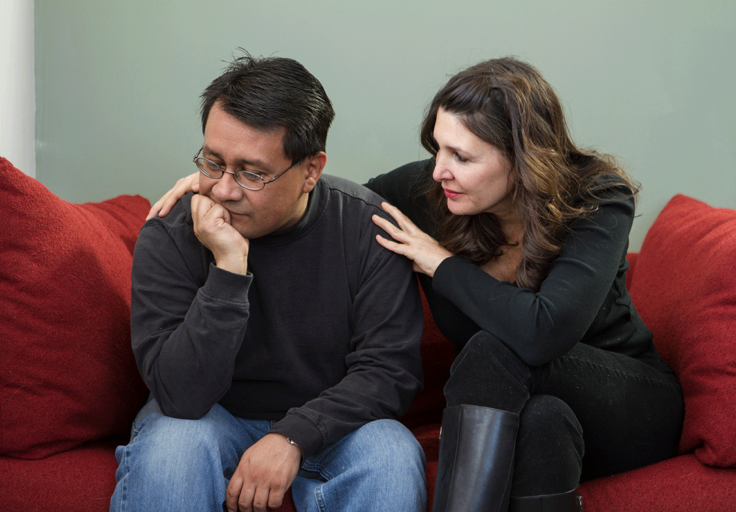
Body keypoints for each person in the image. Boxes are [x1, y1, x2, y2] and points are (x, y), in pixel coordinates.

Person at [152, 56, 684, 512]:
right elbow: (315, 201)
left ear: (524, 162)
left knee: (489, 352)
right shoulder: (433, 192)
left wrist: (441, 262)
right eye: (438, 150)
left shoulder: (597, 197)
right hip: (541, 413)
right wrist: (221, 181)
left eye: (463, 157)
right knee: (542, 422)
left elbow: (544, 333)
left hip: (629, 403)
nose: (439, 171)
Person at [114, 53, 427, 512]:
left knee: (391, 451)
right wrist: (228, 265)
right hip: (206, 419)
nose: (223, 189)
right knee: (171, 446)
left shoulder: (366, 228)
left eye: (251, 173)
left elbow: (389, 372)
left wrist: (292, 436)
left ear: (311, 171)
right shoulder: (172, 231)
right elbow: (180, 396)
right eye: (213, 161)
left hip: (331, 429)